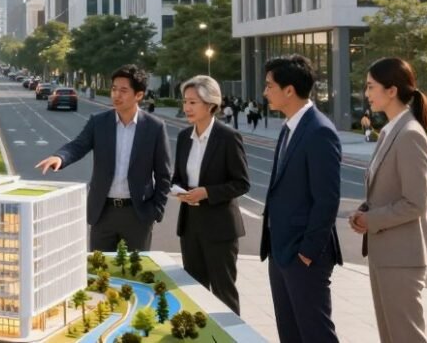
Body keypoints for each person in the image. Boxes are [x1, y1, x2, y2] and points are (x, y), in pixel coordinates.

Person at [348, 58, 427, 343]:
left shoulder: (410, 134)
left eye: (371, 86)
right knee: (391, 336)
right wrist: (363, 211)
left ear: (392, 90)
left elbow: (415, 202)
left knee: (405, 336)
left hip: (403, 255)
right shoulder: (391, 131)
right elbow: (387, 191)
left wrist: (371, 219)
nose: (366, 93)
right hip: (386, 253)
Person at [36, 65, 172, 251]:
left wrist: (156, 211)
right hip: (103, 212)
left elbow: (164, 174)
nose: (116, 95)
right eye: (114, 89)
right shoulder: (99, 122)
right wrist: (59, 157)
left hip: (138, 214)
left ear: (138, 95)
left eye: (123, 90)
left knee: (136, 273)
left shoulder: (154, 127)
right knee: (99, 273)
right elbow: (78, 146)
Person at [260, 54, 341, 343]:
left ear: (289, 90)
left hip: (304, 256)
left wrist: (307, 252)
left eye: (269, 85)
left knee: (315, 334)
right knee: (290, 334)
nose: (265, 91)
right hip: (281, 251)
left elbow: (327, 199)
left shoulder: (319, 131)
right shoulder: (289, 128)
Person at [172, 76, 249, 314]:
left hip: (220, 229)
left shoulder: (228, 138)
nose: (187, 108)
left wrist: (207, 192)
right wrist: (178, 190)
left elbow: (241, 183)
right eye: (185, 101)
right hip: (190, 226)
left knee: (223, 294)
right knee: (194, 294)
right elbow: (178, 177)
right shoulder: (184, 137)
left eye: (193, 102)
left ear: (211, 104)